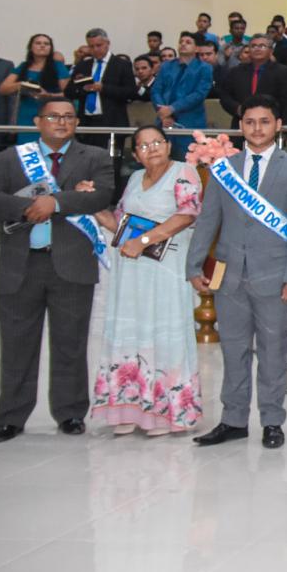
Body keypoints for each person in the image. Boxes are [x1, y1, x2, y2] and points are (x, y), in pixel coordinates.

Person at [185, 95, 287, 450]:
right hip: (230, 276)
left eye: (264, 121)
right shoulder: (223, 169)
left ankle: (272, 420)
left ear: (278, 126)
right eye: (250, 122)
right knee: (233, 350)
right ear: (240, 126)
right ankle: (233, 419)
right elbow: (208, 220)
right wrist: (194, 263)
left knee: (273, 353)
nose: (257, 128)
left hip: (274, 276)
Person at [0, 98, 113, 442]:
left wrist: (56, 202)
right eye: (54, 116)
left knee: (71, 344)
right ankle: (10, 418)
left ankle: (70, 413)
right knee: (16, 346)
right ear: (38, 120)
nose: (62, 122)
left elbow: (101, 196)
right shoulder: (8, 158)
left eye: (69, 117)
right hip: (20, 265)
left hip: (72, 264)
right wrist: (31, 207)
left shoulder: (95, 157)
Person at [90, 126, 202, 435]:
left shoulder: (184, 172)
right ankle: (129, 408)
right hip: (132, 269)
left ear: (168, 145)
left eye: (156, 142)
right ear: (136, 154)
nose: (151, 148)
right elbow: (122, 224)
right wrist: (96, 209)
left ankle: (166, 412)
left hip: (166, 267)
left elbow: (186, 214)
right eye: (143, 145)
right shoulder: (134, 179)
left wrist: (144, 240)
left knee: (163, 334)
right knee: (131, 331)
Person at [0, 34, 70, 145]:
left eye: (46, 44)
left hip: (51, 112)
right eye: (38, 43)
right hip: (26, 113)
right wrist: (21, 84)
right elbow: (3, 89)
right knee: (27, 150)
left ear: (51, 48)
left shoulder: (58, 66)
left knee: (50, 147)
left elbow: (68, 93)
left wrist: (49, 95)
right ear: (30, 47)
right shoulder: (23, 66)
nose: (42, 46)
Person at [151, 31, 214, 156]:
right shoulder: (166, 66)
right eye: (181, 42)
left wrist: (172, 108)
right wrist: (164, 113)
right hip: (164, 121)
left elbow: (199, 94)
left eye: (188, 42)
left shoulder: (204, 68)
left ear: (196, 48)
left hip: (189, 122)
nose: (183, 44)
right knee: (161, 160)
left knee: (187, 163)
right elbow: (156, 90)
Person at [64, 28, 134, 131]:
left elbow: (130, 92)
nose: (95, 49)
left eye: (99, 45)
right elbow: (68, 92)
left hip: (112, 121)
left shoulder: (122, 65)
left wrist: (104, 88)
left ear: (107, 43)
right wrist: (82, 88)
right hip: (86, 121)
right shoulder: (83, 65)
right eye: (91, 46)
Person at [219, 36, 287, 124]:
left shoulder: (282, 71)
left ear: (271, 51)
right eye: (253, 46)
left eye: (262, 46)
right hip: (242, 124)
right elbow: (225, 96)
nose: (257, 49)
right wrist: (237, 108)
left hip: (271, 124)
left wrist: (285, 129)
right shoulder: (236, 71)